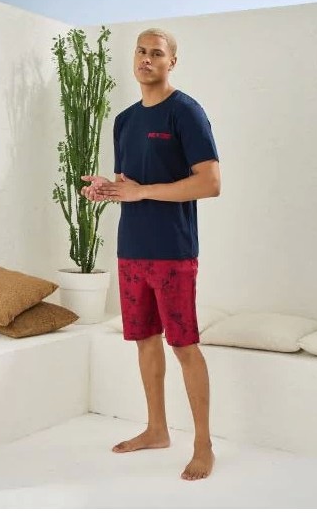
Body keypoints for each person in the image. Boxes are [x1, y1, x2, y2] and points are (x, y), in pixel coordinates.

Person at [81, 28, 221, 481]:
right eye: (140, 51)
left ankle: (203, 444)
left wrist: (143, 192)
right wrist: (107, 189)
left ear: (171, 62)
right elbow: (131, 185)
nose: (146, 58)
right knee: (145, 340)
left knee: (184, 345)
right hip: (131, 250)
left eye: (156, 53)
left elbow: (210, 183)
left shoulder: (186, 111)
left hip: (173, 251)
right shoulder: (124, 120)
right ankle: (156, 429)